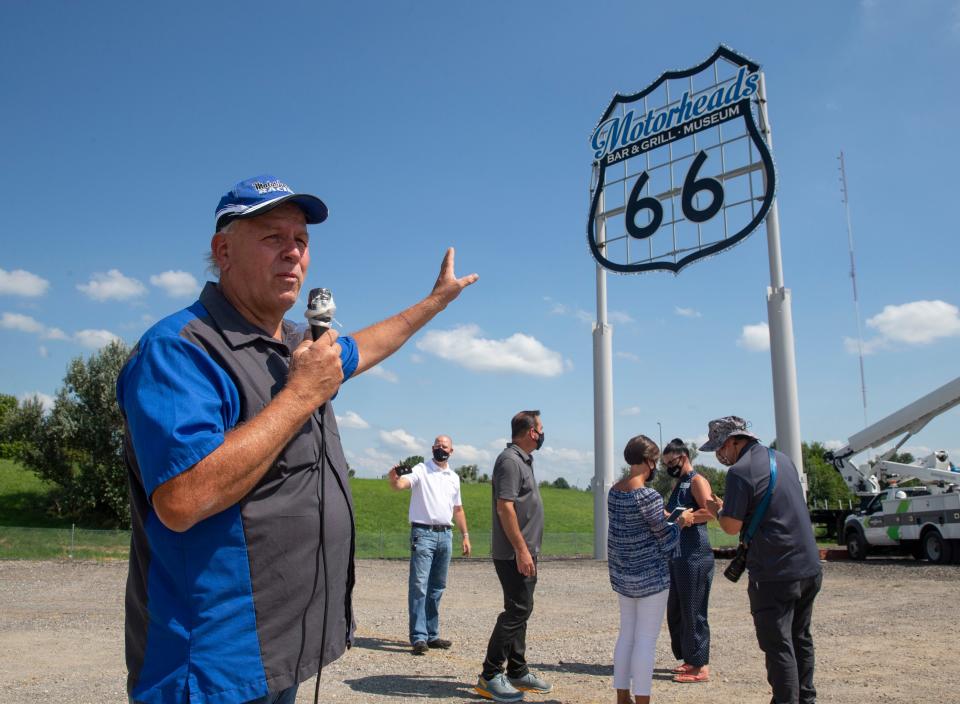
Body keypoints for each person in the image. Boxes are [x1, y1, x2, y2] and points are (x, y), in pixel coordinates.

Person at [117, 174, 478, 704]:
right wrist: (301, 394)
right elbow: (182, 498)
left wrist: (435, 302)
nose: (293, 253)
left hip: (280, 653)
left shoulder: (297, 344)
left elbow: (366, 346)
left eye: (302, 241)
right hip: (212, 667)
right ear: (223, 251)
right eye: (273, 238)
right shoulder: (180, 349)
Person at [701, 416, 822, 704]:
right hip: (809, 566)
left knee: (778, 645)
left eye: (719, 448)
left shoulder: (740, 472)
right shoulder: (782, 459)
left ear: (733, 442)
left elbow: (731, 526)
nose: (719, 455)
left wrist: (715, 509)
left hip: (775, 570)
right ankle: (806, 699)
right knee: (800, 637)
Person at [607, 435, 693, 704]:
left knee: (626, 636)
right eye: (654, 460)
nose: (656, 465)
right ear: (646, 461)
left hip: (623, 576)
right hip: (651, 579)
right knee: (645, 640)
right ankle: (643, 699)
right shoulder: (649, 495)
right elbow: (665, 538)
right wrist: (681, 521)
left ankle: (623, 696)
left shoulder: (614, 491)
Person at [474, 410, 552, 702]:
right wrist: (521, 550)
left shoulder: (522, 460)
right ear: (531, 432)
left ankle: (517, 671)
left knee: (522, 608)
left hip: (524, 551)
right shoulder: (509, 461)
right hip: (513, 553)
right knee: (518, 609)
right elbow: (504, 508)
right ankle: (491, 675)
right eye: (541, 428)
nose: (543, 434)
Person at [387, 435, 472, 655]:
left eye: (444, 446)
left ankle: (432, 634)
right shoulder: (421, 469)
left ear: (451, 451)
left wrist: (465, 535)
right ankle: (418, 636)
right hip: (423, 534)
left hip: (446, 534)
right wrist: (394, 479)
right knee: (419, 585)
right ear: (432, 448)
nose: (440, 449)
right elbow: (402, 484)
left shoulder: (453, 477)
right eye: (436, 445)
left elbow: (458, 509)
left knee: (437, 587)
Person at [661, 438, 715, 684]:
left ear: (683, 457)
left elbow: (712, 510)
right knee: (678, 610)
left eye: (671, 462)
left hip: (695, 553)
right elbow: (676, 515)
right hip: (678, 554)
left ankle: (700, 665)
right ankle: (689, 658)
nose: (668, 467)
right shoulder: (679, 484)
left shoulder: (696, 481)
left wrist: (691, 516)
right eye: (665, 464)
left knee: (694, 609)